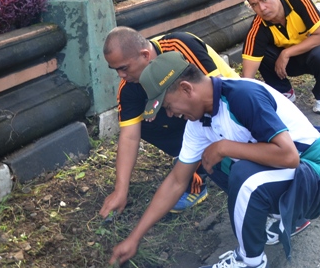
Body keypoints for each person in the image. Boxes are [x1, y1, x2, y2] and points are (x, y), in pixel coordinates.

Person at [108, 52, 320, 268]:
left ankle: (249, 261)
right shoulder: (197, 124)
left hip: (318, 174)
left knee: (242, 174)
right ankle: (282, 215)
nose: (170, 114)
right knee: (214, 162)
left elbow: (289, 156)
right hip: (292, 175)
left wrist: (225, 146)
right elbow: (177, 181)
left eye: (168, 106)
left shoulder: (242, 95)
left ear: (187, 89)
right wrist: (134, 238)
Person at [99, 27, 238, 219]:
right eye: (115, 70)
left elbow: (217, 92)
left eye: (124, 68)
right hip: (192, 117)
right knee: (141, 123)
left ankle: (197, 176)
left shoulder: (180, 46)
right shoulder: (129, 87)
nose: (120, 76)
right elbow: (129, 136)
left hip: (229, 108)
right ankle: (191, 162)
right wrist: (120, 190)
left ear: (145, 55)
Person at [241, 0, 320, 115]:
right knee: (260, 54)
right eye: (254, 4)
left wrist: (286, 53)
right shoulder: (257, 27)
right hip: (285, 67)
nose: (262, 8)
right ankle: (284, 91)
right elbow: (248, 75)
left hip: (312, 53)